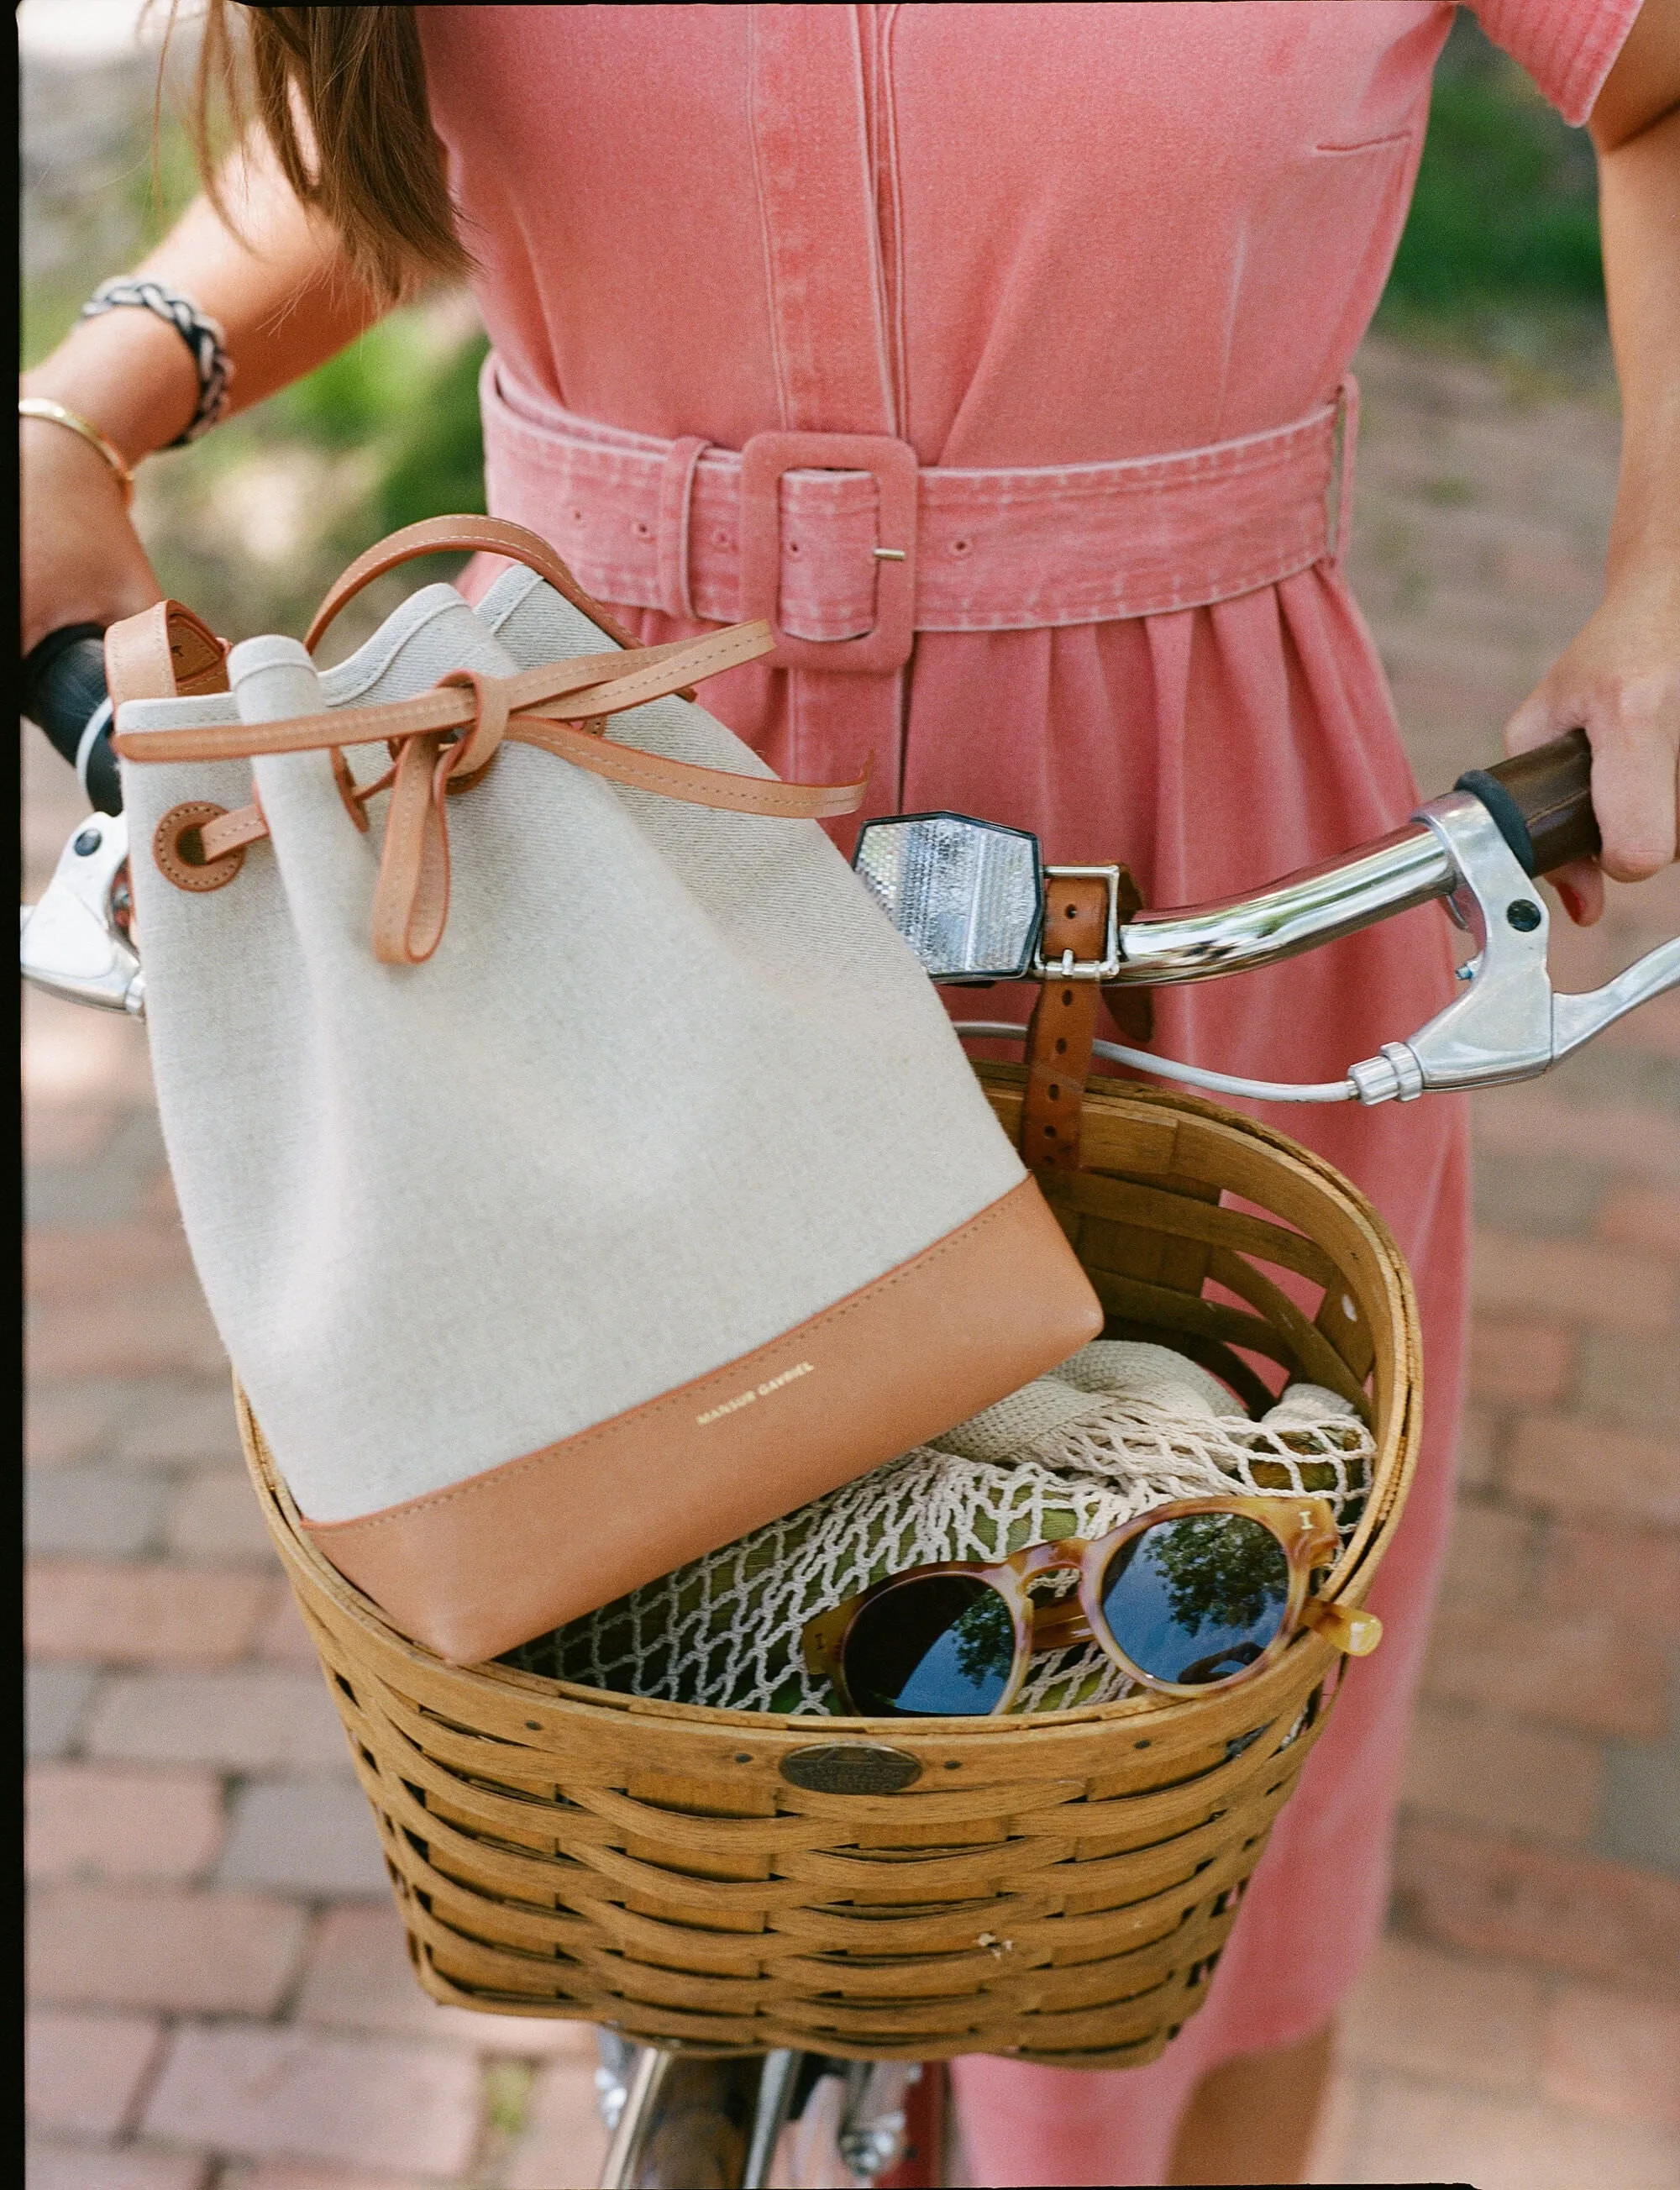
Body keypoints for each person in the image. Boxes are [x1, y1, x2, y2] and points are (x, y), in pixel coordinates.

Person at [21, 6, 1679, 2182]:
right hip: (598, 857)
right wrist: (93, 399)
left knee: (1201, 1859)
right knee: (651, 1753)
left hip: (1201, 866)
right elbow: (389, 123)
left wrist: (1668, 570)